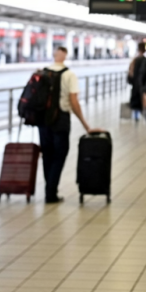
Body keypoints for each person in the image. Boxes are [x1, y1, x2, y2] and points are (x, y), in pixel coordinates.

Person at [40, 46, 102, 203]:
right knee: (59, 155)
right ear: (65, 56)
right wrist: (86, 125)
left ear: (54, 54)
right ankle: (50, 192)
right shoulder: (69, 74)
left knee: (47, 154)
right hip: (60, 119)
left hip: (43, 120)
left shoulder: (42, 72)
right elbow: (74, 102)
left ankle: (50, 189)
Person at [127, 42, 146, 124]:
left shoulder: (134, 61)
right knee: (144, 104)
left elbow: (130, 75)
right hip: (144, 88)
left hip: (135, 87)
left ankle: (136, 119)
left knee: (136, 105)